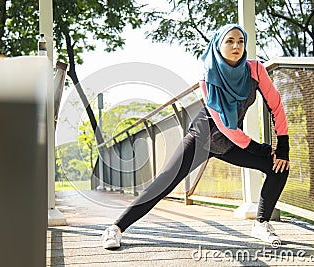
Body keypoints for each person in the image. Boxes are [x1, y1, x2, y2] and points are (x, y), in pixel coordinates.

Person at [102, 24, 290, 249]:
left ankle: (261, 223)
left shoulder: (256, 70)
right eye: (229, 41)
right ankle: (115, 228)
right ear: (218, 44)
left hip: (231, 143)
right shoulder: (208, 74)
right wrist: (258, 148)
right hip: (202, 138)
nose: (236, 46)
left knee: (280, 166)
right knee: (164, 183)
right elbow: (223, 124)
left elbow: (276, 106)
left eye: (240, 41)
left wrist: (283, 146)